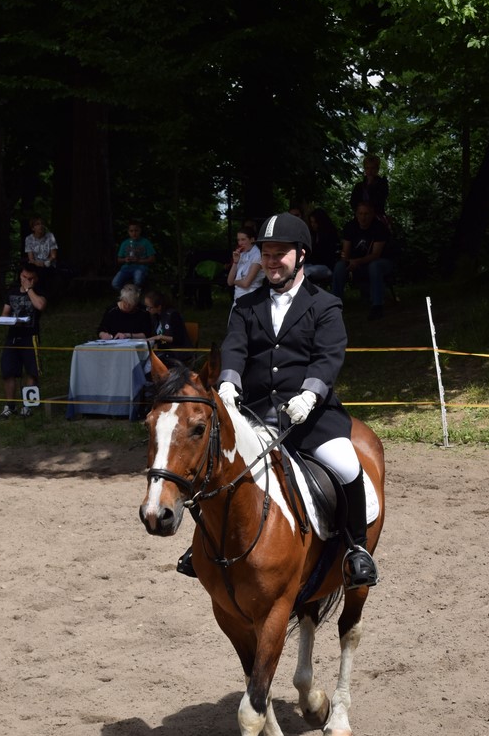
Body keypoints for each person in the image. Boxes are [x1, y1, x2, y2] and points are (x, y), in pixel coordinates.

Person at [176, 211, 378, 590]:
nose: (271, 262)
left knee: (347, 465)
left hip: (311, 419)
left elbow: (328, 356)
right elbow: (235, 348)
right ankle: (200, 544)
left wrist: (309, 394)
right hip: (253, 415)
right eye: (266, 254)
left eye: (279, 254)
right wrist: (228, 384)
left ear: (301, 255)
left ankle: (356, 549)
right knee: (211, 464)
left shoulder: (325, 305)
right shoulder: (246, 305)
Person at [0, 263, 46, 419]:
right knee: (8, 371)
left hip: (30, 336)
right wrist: (9, 320)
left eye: (30, 278)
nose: (26, 280)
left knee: (32, 371)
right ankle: (10, 405)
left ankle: (28, 405)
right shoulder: (12, 292)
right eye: (24, 277)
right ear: (20, 276)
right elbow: (4, 313)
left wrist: (29, 289)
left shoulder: (39, 291)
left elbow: (40, 305)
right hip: (12, 336)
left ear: (36, 279)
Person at [331, 202, 395, 321]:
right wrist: (348, 261)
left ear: (372, 214)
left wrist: (357, 261)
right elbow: (345, 251)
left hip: (379, 262)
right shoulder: (350, 227)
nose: (363, 217)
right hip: (356, 263)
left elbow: (376, 254)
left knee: (375, 266)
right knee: (340, 266)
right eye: (360, 214)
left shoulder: (379, 228)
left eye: (366, 214)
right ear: (356, 214)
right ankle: (334, 305)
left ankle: (377, 306)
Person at [143, 290, 191, 366]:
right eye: (146, 307)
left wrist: (160, 337)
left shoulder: (173, 315)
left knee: (150, 363)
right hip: (165, 351)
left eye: (150, 307)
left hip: (178, 352)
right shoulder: (155, 317)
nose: (147, 310)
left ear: (159, 307)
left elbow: (178, 339)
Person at [112, 221, 155, 290]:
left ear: (140, 231)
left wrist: (139, 260)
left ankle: (136, 294)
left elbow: (152, 259)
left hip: (140, 267)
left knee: (138, 280)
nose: (134, 233)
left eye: (136, 231)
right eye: (131, 231)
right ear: (128, 232)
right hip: (126, 268)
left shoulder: (146, 242)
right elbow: (119, 259)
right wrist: (125, 259)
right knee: (115, 283)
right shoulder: (125, 243)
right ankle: (127, 294)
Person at [227, 225, 264, 304]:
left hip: (251, 297)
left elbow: (246, 283)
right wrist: (235, 262)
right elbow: (229, 282)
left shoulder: (257, 255)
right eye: (238, 240)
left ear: (252, 240)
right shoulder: (242, 254)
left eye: (243, 239)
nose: (240, 243)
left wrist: (234, 281)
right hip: (238, 296)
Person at [303, 207, 341, 285]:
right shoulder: (313, 235)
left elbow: (327, 256)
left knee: (307, 272)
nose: (313, 225)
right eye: (311, 222)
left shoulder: (330, 235)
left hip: (327, 267)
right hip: (313, 265)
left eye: (315, 222)